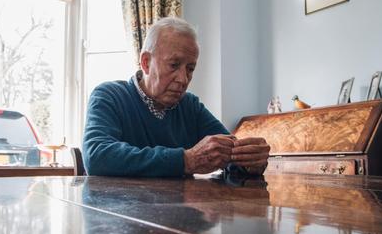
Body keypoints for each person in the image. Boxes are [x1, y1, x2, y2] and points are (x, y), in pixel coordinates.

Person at [82, 17, 270, 177]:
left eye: (190, 69)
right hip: (119, 216)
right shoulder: (109, 96)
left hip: (178, 217)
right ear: (146, 63)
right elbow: (97, 157)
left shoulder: (190, 106)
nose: (183, 79)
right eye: (174, 65)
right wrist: (185, 160)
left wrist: (250, 161)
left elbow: (228, 154)